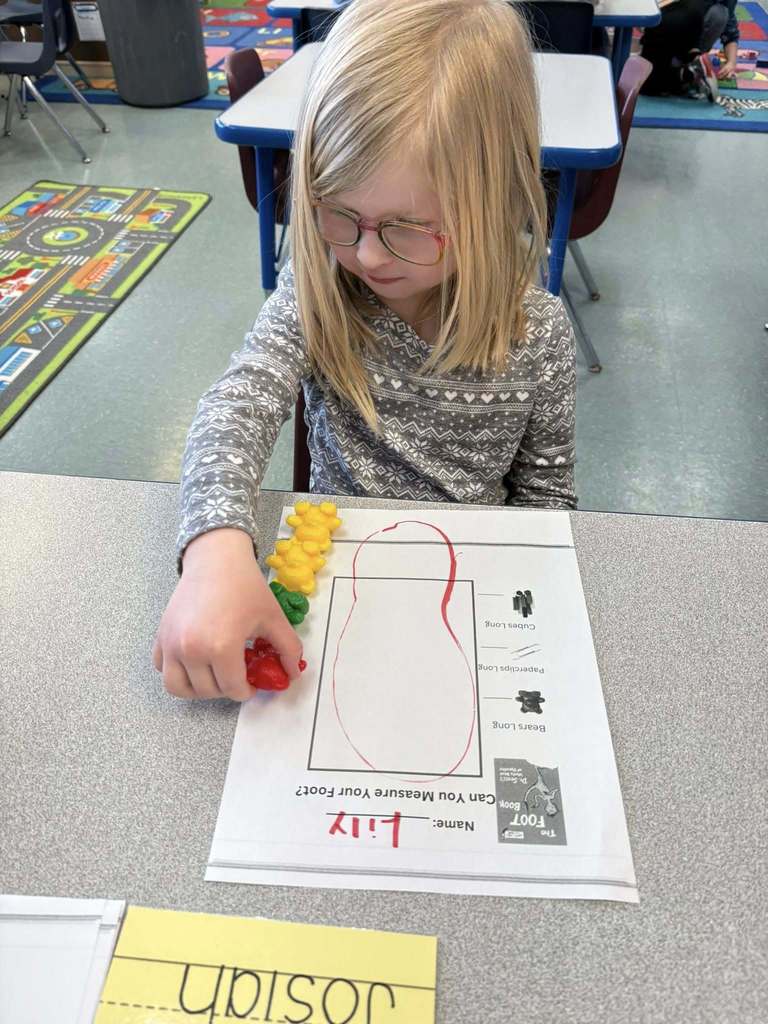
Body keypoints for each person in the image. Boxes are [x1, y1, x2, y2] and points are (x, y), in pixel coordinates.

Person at [153, 0, 577, 702]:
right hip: (333, 582)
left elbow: (547, 501)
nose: (366, 255)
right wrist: (214, 552)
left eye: (408, 229)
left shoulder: (540, 335)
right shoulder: (317, 291)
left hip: (469, 589)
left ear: (492, 201)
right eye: (338, 215)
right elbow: (236, 407)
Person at [640, 0, 740, 97]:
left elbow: (730, 27)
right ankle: (688, 68)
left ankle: (688, 67)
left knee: (653, 86)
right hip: (670, 29)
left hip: (666, 26)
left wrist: (731, 62)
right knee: (655, 86)